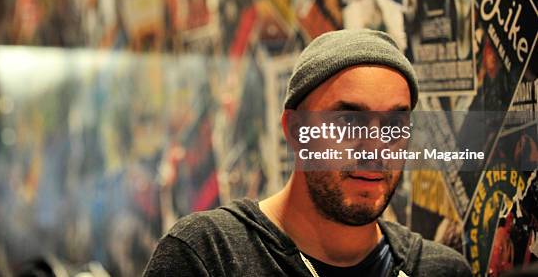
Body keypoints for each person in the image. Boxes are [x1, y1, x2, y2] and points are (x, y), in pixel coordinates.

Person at [143, 29, 472, 276]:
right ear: (295, 130)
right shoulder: (208, 255)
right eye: (348, 120)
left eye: (394, 123)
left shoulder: (438, 270)